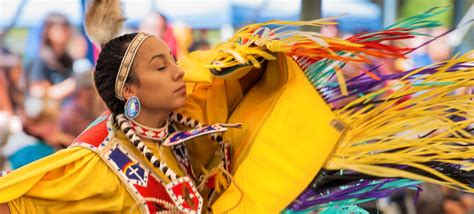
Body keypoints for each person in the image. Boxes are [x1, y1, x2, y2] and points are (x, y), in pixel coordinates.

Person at [1, 3, 472, 214]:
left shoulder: (186, 129)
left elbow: (215, 76)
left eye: (173, 60)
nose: (179, 72)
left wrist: (250, 55)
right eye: (162, 66)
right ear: (130, 90)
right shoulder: (95, 162)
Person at [27, 13, 76, 100]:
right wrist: (68, 86)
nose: (63, 32)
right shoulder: (41, 59)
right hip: (47, 111)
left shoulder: (68, 59)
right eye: (59, 28)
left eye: (66, 28)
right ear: (48, 31)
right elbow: (36, 91)